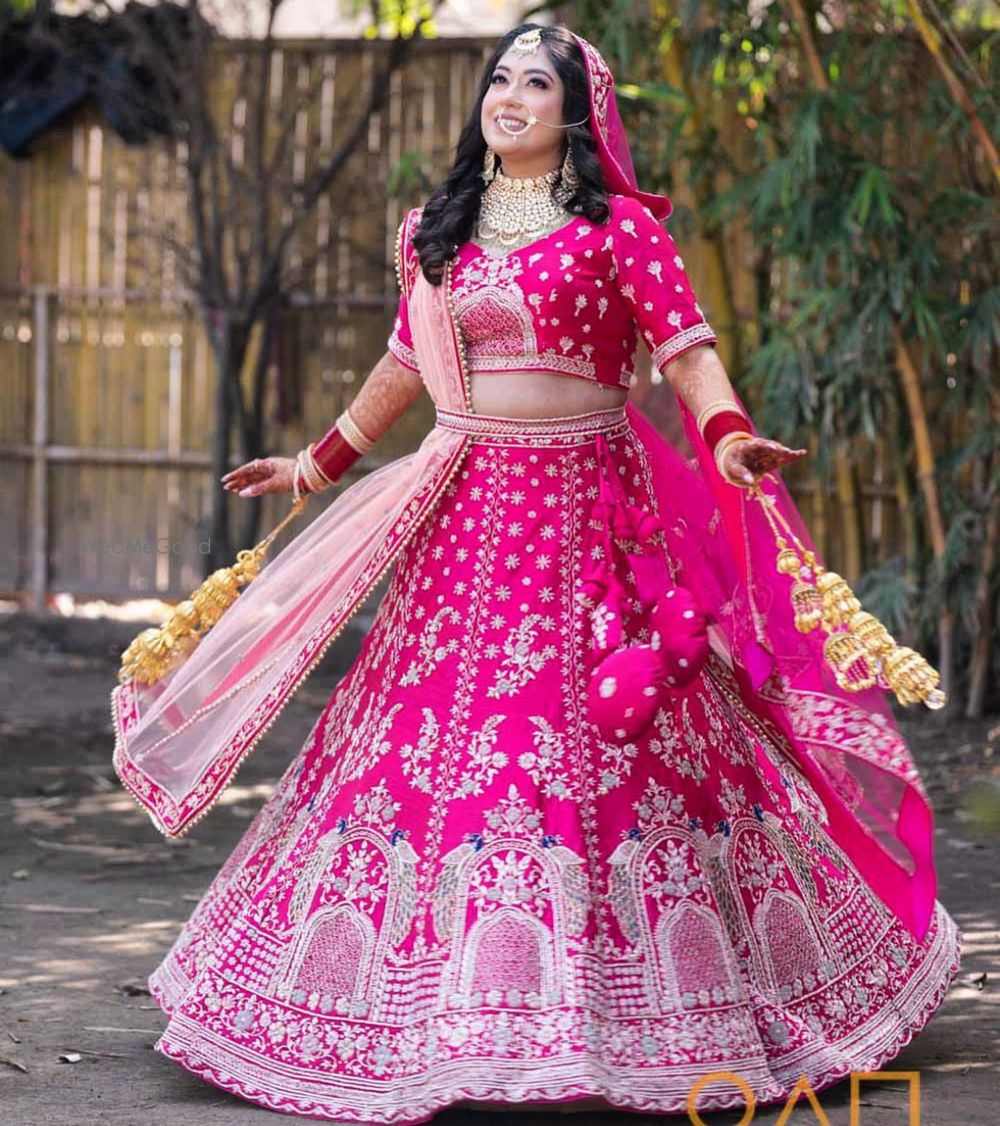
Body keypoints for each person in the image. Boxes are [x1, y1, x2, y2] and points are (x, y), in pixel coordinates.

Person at [111, 23, 962, 1123]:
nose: (509, 97)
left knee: (624, 738)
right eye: (499, 78)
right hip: (461, 523)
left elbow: (686, 351)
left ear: (579, 114)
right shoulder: (436, 228)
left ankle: (663, 1001)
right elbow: (406, 362)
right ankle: (413, 1008)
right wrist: (315, 460)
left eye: (536, 83)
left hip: (590, 524)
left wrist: (728, 435)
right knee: (429, 743)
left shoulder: (620, 232)